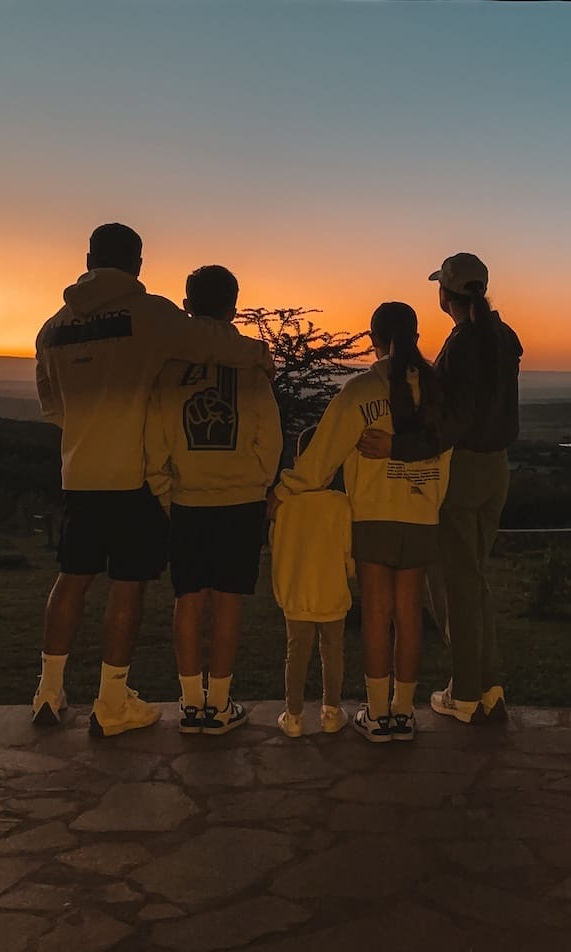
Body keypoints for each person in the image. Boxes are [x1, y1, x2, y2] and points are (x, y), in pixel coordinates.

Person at [32, 224, 273, 738]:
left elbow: (52, 408)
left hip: (79, 471)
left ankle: (48, 691)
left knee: (71, 578)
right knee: (128, 586)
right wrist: (260, 358)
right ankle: (111, 701)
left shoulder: (51, 329)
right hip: (135, 475)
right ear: (138, 264)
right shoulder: (149, 315)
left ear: (88, 257)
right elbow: (212, 340)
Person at [272, 302, 450, 743]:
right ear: (416, 335)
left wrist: (283, 491)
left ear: (373, 339)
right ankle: (402, 713)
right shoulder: (437, 390)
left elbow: (322, 456)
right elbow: (446, 455)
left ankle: (376, 713)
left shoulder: (358, 391)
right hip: (422, 513)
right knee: (409, 614)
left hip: (373, 513)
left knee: (378, 613)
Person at [360, 252, 523, 724]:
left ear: (443, 294)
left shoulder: (464, 344)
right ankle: (488, 685)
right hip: (497, 471)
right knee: (474, 578)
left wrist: (397, 447)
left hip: (463, 471)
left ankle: (466, 693)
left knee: (453, 583)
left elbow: (452, 422)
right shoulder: (502, 336)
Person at [145, 265, 283, 735]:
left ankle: (190, 705)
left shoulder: (168, 371)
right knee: (228, 603)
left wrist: (168, 495)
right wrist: (258, 485)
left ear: (186, 306)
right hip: (241, 501)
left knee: (187, 601)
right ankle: (219, 705)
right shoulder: (252, 367)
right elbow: (271, 439)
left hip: (187, 500)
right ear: (234, 307)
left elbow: (155, 445)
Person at [270, 425, 353, 738]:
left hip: (296, 594)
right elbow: (349, 553)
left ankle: (293, 716)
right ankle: (331, 711)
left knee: (296, 654)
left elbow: (277, 550)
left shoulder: (284, 506)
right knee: (333, 652)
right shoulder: (341, 505)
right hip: (331, 593)